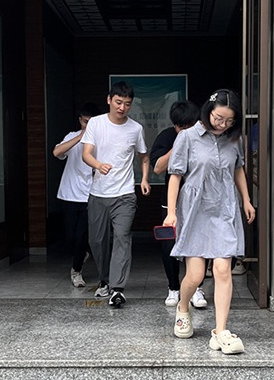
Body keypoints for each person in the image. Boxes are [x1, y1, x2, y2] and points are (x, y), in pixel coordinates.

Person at [163, 89, 256, 354]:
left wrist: (246, 200)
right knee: (194, 275)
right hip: (195, 209)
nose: (223, 124)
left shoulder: (233, 139)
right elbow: (175, 176)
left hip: (224, 207)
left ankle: (220, 331)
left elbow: (238, 169)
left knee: (223, 269)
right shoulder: (187, 137)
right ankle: (183, 307)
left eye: (229, 120)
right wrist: (171, 212)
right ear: (208, 111)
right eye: (218, 118)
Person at [82, 81, 151, 308]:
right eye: (118, 102)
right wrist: (98, 165)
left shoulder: (135, 129)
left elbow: (144, 156)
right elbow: (86, 154)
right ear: (109, 100)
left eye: (127, 104)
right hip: (98, 194)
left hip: (124, 194)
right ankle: (105, 280)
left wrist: (144, 179)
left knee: (122, 237)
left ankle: (117, 289)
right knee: (97, 240)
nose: (122, 107)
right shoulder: (96, 123)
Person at [150, 101, 207, 309]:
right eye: (182, 128)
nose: (187, 131)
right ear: (175, 125)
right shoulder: (167, 137)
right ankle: (173, 287)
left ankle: (197, 288)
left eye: (190, 126)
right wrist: (178, 146)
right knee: (169, 245)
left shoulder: (205, 137)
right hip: (171, 203)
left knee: (200, 245)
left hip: (199, 201)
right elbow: (157, 168)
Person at [53, 102, 101, 288]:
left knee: (81, 236)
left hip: (91, 195)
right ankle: (83, 254)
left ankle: (76, 270)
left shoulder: (102, 139)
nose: (87, 125)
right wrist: (81, 136)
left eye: (91, 122)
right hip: (69, 194)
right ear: (80, 120)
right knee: (70, 236)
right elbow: (57, 152)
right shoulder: (71, 136)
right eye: (85, 122)